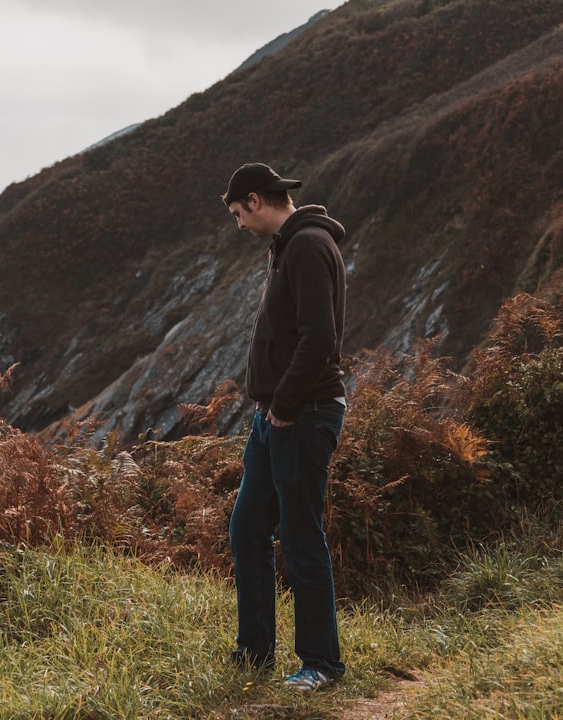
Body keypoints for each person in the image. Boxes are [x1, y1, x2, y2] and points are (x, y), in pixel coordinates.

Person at [222, 162, 348, 692]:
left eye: (237, 214)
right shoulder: (287, 246)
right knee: (248, 528)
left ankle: (321, 664)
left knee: (299, 539)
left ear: (255, 200)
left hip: (302, 414)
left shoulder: (307, 245)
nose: (239, 226)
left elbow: (319, 339)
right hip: (273, 417)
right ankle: (254, 653)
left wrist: (285, 409)